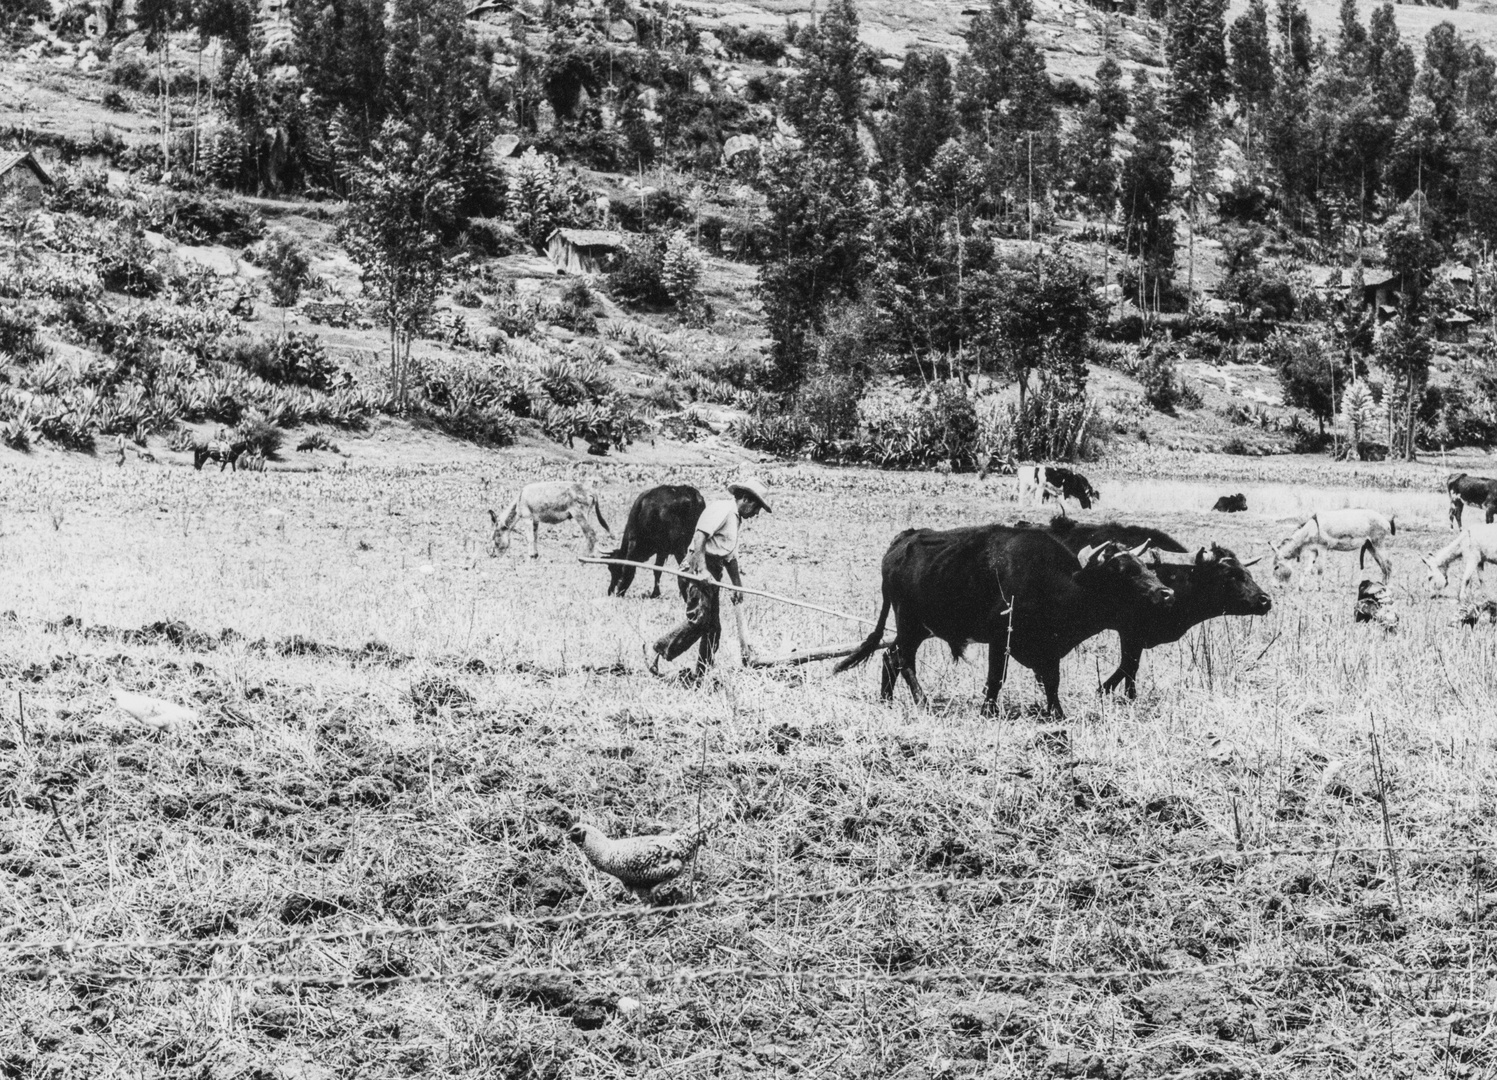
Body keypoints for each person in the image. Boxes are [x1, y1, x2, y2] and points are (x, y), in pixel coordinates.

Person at [651, 477, 772, 682]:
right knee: (699, 620)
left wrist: (737, 586)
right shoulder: (723, 509)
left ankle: (701, 673)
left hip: (713, 569)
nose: (756, 513)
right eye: (757, 508)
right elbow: (700, 537)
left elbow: (730, 557)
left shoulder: (735, 519)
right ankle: (658, 651)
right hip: (696, 567)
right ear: (746, 499)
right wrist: (702, 570)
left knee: (713, 628)